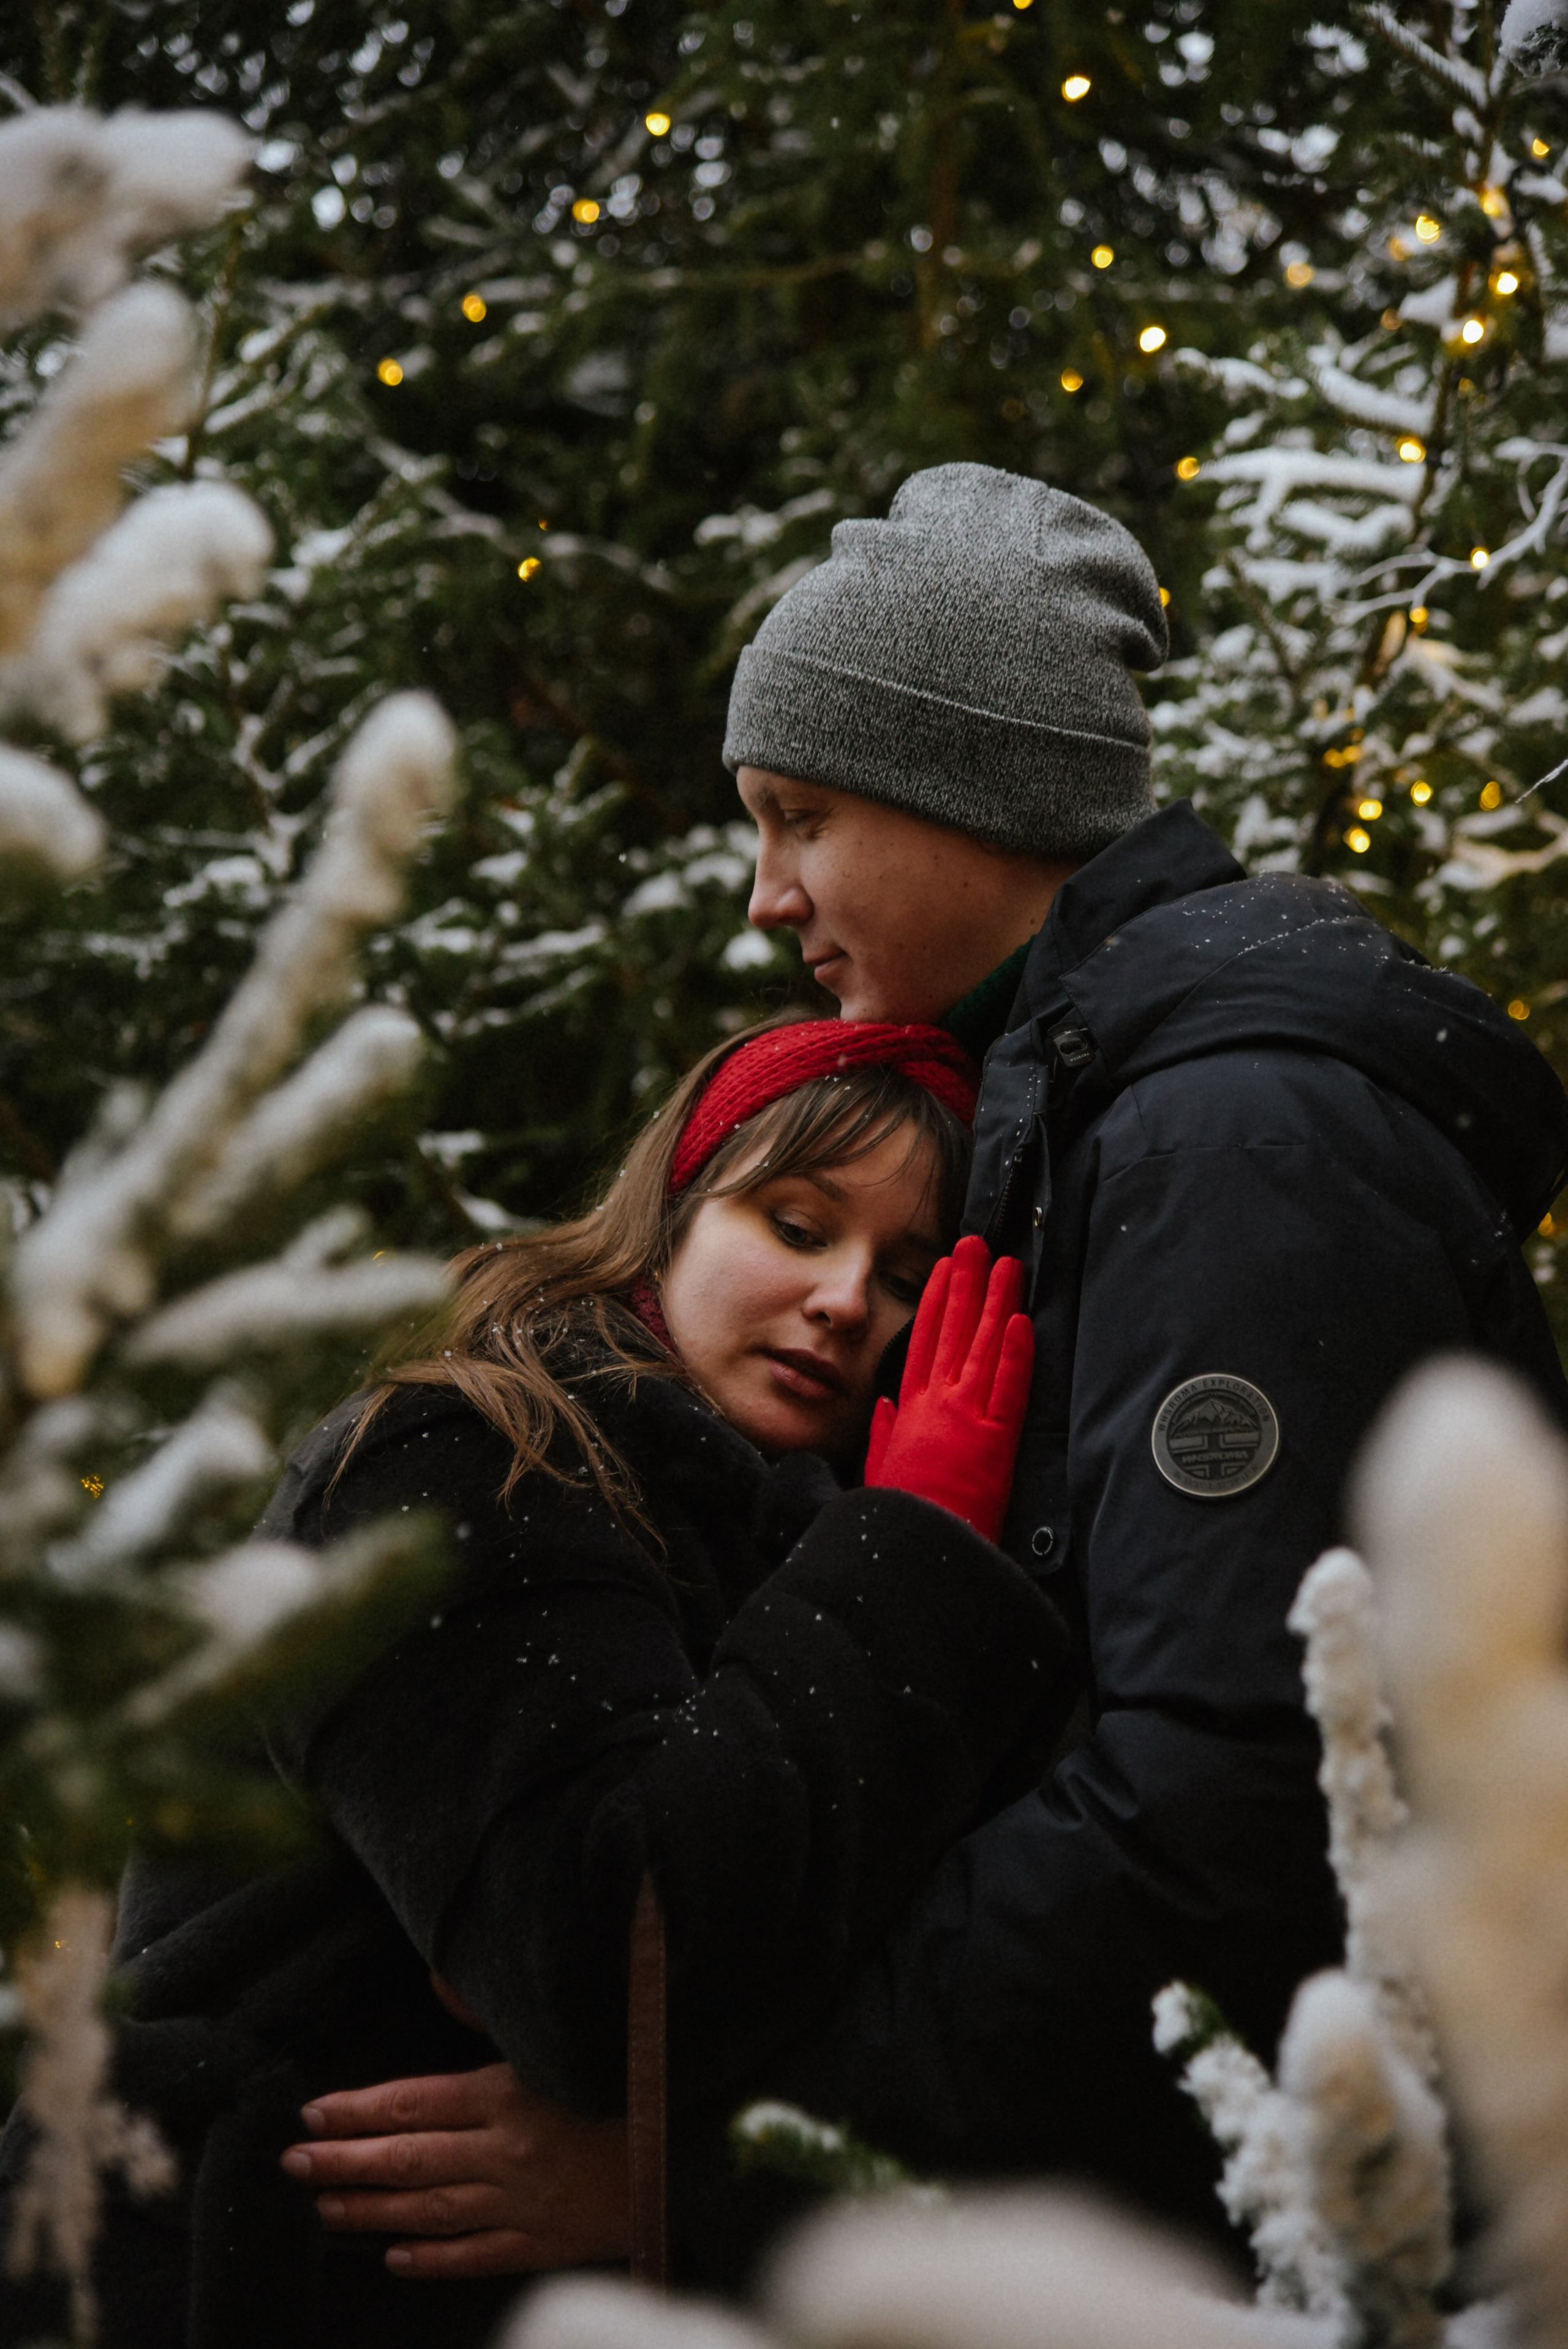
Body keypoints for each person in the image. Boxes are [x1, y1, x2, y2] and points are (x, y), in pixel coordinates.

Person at [311, 461, 1568, 2286]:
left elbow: (1233, 1796)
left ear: (969, 789)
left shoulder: (1231, 1139)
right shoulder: (1097, 1120)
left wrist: (735, 2156)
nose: (768, 897)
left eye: (798, 816)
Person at [0, 1015, 1067, 2349]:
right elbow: (611, 1970)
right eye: (796, 1226)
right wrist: (911, 1556)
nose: (847, 1300)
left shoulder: (774, 1546)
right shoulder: (464, 1454)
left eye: (906, 1278)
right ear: (669, 1217)